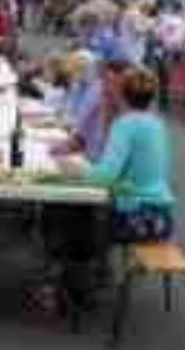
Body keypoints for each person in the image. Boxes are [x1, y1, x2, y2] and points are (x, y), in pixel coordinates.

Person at [63, 68, 177, 244]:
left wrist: (77, 170)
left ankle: (80, 267)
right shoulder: (156, 124)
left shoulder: (125, 125)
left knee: (75, 214)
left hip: (136, 216)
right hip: (161, 216)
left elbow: (106, 176)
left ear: (122, 95)